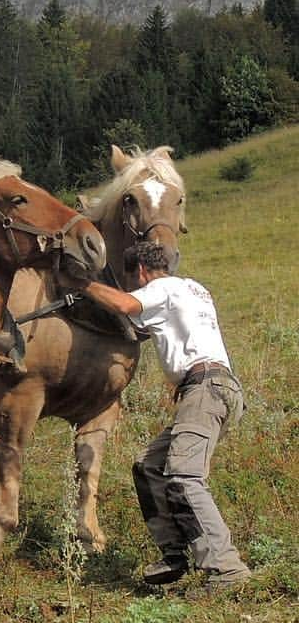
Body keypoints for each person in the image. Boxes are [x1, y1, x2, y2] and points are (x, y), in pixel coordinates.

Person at [73, 240, 251, 592]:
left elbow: (124, 305)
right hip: (216, 388)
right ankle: (174, 555)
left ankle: (227, 568)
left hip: (206, 389)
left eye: (133, 280)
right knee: (149, 467)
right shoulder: (194, 288)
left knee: (185, 476)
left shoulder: (162, 288)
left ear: (140, 271)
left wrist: (80, 283)